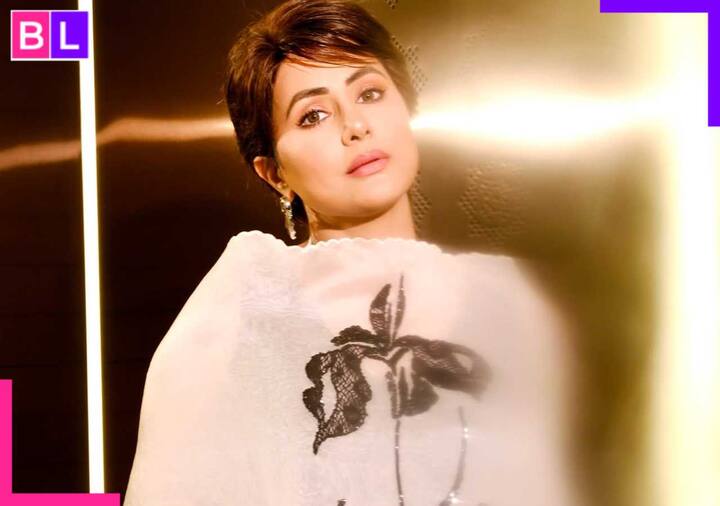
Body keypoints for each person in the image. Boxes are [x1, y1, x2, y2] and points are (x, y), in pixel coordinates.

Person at [123, 1, 581, 505]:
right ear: (274, 173)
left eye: (370, 93)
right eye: (313, 115)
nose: (355, 125)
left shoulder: (511, 302)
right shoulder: (239, 319)